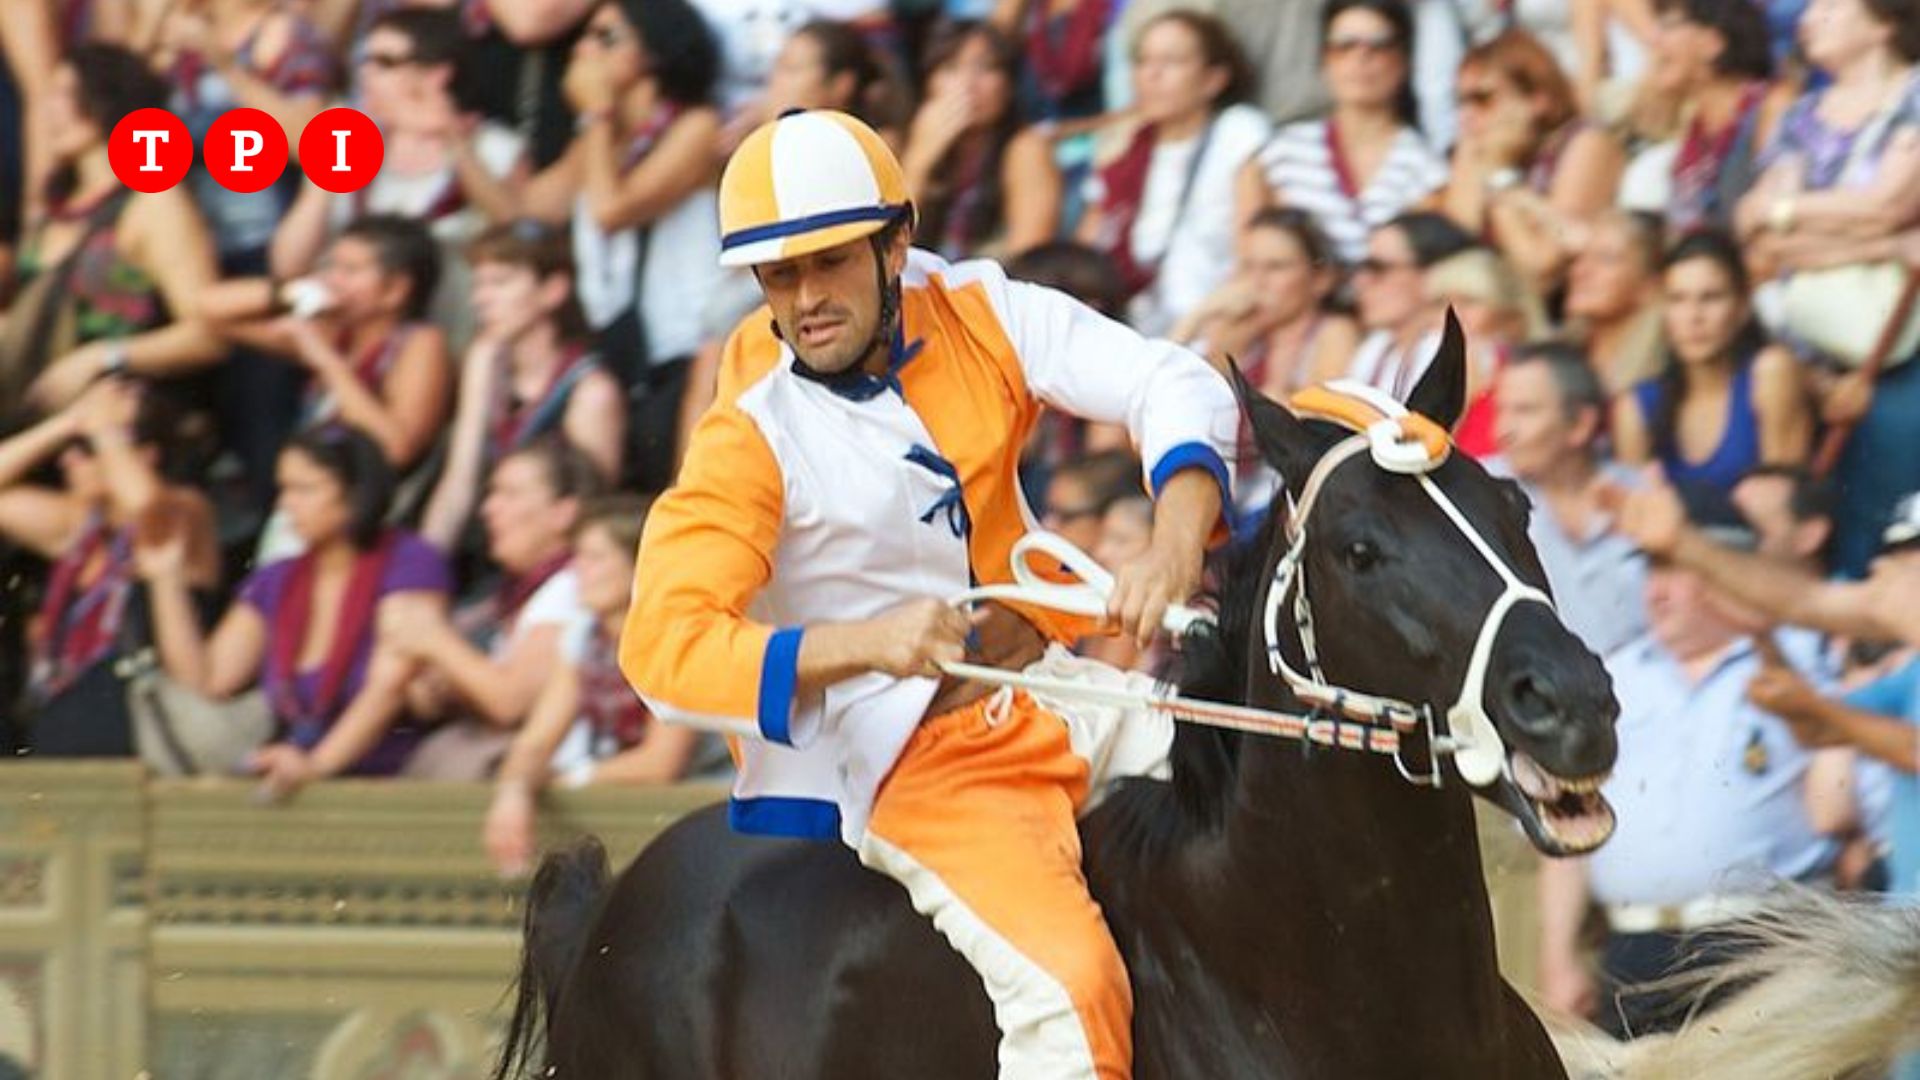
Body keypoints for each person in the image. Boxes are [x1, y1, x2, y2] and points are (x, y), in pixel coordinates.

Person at [623, 109, 1237, 1080]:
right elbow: (662, 653)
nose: (805, 299)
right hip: (923, 769)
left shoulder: (977, 306)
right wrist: (863, 644)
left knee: (1273, 813)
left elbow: (1171, 378)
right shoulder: (750, 435)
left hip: (1065, 694)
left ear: (895, 242)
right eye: (778, 277)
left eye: (828, 262)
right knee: (1075, 996)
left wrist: (1172, 540)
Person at [1534, 483, 1842, 1036]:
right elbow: (1569, 823)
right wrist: (1558, 956)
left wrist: (1762, 631)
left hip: (1766, 945)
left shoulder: (1796, 659)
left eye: (1676, 570)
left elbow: (1831, 768)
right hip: (1636, 952)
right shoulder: (1613, 677)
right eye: (1651, 571)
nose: (1657, 592)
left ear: (1728, 571)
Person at [462, 0, 724, 494]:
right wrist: (456, 142)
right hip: (618, 345)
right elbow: (526, 215)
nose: (582, 48)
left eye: (605, 37)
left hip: (684, 352)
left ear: (653, 52)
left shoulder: (696, 127)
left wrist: (598, 114)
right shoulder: (600, 140)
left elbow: (612, 210)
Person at [134, 424, 454, 795]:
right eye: (284, 488)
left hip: (393, 790)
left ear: (354, 492)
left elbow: (392, 683)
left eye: (304, 489)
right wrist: (166, 580)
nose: (286, 504)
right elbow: (208, 679)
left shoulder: (410, 562)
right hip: (298, 785)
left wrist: (317, 765)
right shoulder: (278, 580)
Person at [1735, 0, 1920, 578]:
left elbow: (1892, 205)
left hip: (1902, 343)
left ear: (1885, 20)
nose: (1810, 17)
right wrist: (1882, 242)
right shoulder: (1800, 115)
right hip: (1807, 344)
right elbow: (1755, 234)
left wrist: (1788, 217)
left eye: (1832, 5)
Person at [269, 8, 525, 346]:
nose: (366, 74)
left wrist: (455, 142)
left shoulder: (494, 147)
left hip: (464, 346)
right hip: (360, 353)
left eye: (384, 63)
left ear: (437, 74)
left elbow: (520, 231)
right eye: (364, 60)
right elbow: (287, 265)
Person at [482, 495, 702, 877]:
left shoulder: (676, 633)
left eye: (595, 558)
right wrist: (514, 790)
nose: (577, 572)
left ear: (639, 566)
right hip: (638, 810)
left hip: (702, 804)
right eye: (577, 557)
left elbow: (660, 761)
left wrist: (575, 778)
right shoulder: (585, 636)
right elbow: (536, 741)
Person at [4, 379, 220, 755]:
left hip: (138, 744)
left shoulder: (186, 509)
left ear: (147, 454)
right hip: (61, 727)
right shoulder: (81, 527)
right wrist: (70, 422)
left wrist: (103, 431)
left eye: (84, 449)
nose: (67, 459)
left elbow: (147, 508)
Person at [5, 44, 224, 413]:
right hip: (36, 414)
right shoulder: (55, 207)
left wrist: (103, 357)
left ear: (104, 100)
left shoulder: (154, 204)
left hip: (119, 420)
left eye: (64, 93)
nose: (50, 109)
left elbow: (207, 334)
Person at [385, 436, 603, 780]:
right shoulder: (517, 593)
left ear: (563, 512)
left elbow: (511, 703)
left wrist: (433, 638)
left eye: (509, 494)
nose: (488, 509)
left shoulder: (573, 588)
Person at [421, 222, 625, 553]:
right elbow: (459, 481)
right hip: (498, 548)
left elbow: (590, 512)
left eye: (500, 282)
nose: (481, 299)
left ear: (553, 290)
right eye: (478, 284)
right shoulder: (485, 359)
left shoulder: (591, 390)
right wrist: (423, 565)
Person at [198, 214, 454, 476]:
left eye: (350, 271)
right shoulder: (333, 332)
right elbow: (208, 311)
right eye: (332, 266)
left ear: (395, 290)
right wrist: (295, 292)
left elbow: (396, 450)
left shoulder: (420, 342)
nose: (333, 279)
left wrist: (325, 360)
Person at [1077, 9, 1271, 336]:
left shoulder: (1237, 133)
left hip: (1213, 331)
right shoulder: (1124, 146)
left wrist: (1190, 329)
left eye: (1172, 61)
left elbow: (1253, 264)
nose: (1152, 74)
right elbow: (1081, 264)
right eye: (1143, 61)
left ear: (1214, 79)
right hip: (1126, 333)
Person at [1236, 0, 1448, 267]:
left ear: (1404, 62)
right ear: (1324, 60)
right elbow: (1249, 267)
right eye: (1344, 46)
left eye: (1379, 46)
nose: (1360, 59)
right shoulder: (1277, 155)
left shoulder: (1427, 169)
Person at [1612, 229, 1811, 490]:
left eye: (1711, 298)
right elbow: (1633, 521)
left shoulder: (1770, 372)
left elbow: (1784, 509)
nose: (1694, 316)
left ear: (1742, 307)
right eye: (1678, 300)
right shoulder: (1636, 406)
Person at [1491, 344, 1648, 657]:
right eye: (1502, 410)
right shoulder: (1481, 495)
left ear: (1581, 424)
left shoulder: (1644, 497)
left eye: (1524, 411)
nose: (1502, 430)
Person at [1440, 29, 1626, 292]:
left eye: (1483, 99)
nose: (1467, 116)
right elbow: (1455, 254)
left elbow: (1541, 269)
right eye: (1461, 102)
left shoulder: (1587, 142)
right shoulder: (1473, 149)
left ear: (1538, 99)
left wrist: (1499, 174)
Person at [1614, 0, 1789, 234]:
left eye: (1668, 26)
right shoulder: (1693, 128)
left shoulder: (1771, 106)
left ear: (1711, 43)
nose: (1654, 40)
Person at [901, 20, 1060, 262]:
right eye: (951, 68)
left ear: (1008, 85)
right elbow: (886, 253)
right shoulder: (910, 143)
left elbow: (1028, 261)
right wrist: (919, 161)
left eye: (985, 68)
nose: (968, 85)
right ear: (928, 83)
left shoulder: (1026, 149)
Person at [1424, 246, 1546, 458]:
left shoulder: (1536, 372)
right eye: (1440, 303)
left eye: (1469, 302)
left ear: (1506, 311)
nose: (1452, 314)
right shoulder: (1416, 360)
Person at [1342, 211, 1477, 399]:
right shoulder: (1376, 347)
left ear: (1433, 273)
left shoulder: (1459, 350)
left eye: (1378, 268)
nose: (1360, 281)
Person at [1563, 208, 1665, 395]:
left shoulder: (1664, 379)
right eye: (1580, 257)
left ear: (1649, 286)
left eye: (1605, 259)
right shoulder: (1556, 358)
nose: (1580, 272)